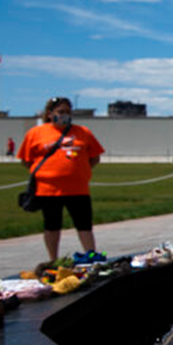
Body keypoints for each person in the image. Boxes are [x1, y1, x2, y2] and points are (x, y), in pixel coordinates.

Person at [18, 96, 105, 263]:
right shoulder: (36, 133)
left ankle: (92, 257)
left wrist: (81, 171)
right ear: (50, 114)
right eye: (61, 111)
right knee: (52, 225)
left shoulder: (82, 132)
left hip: (78, 188)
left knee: (84, 225)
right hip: (48, 190)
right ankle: (53, 260)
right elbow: (26, 159)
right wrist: (46, 172)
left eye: (68, 112)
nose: (65, 115)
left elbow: (94, 157)